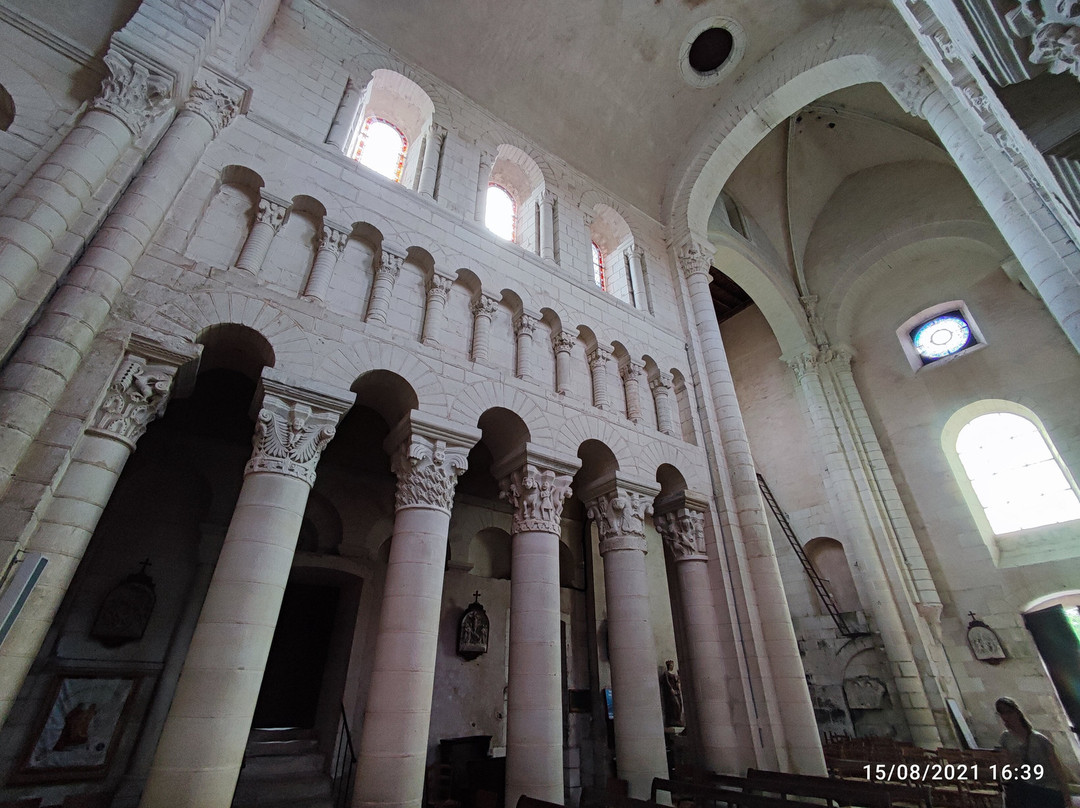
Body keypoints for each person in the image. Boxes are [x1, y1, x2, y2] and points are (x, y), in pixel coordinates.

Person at [995, 697, 1072, 808]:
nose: (1005, 717)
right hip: (1025, 790)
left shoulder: (1040, 740)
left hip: (1048, 790)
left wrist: (1066, 797)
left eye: (1008, 713)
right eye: (1001, 714)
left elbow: (1058, 770)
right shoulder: (1006, 738)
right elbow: (1007, 765)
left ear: (1017, 713)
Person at [660, 660, 684, 728]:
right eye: (671, 665)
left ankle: (678, 719)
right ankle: (673, 720)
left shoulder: (674, 674)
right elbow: (667, 682)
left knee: (680, 704)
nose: (672, 666)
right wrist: (671, 689)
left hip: (676, 691)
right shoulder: (666, 673)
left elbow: (677, 682)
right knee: (675, 704)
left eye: (672, 665)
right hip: (671, 692)